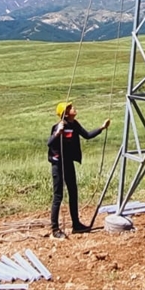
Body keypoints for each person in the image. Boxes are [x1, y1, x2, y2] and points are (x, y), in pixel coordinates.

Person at [47, 101, 109, 238]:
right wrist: (58, 132)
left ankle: (76, 225)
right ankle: (55, 229)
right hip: (58, 165)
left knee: (73, 193)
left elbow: (86, 135)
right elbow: (49, 143)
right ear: (66, 112)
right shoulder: (58, 126)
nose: (74, 108)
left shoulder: (74, 125)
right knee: (58, 196)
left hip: (68, 163)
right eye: (71, 107)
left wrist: (102, 128)